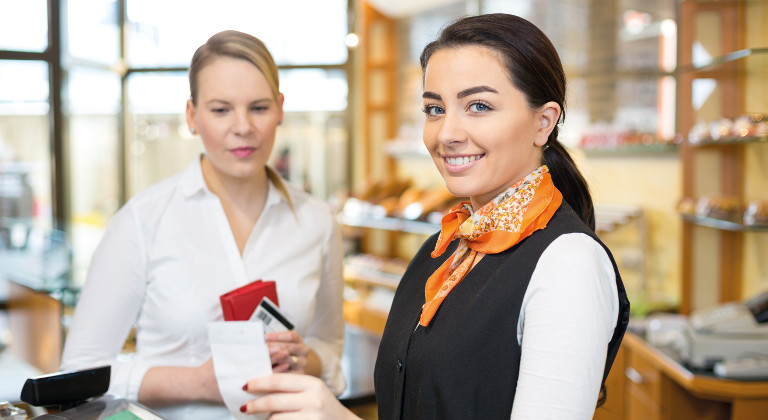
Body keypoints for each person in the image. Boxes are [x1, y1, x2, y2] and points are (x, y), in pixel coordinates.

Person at [240, 13, 629, 419]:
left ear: (543, 122)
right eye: (434, 108)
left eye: (478, 106)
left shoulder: (569, 263)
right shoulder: (442, 249)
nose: (446, 134)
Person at [59, 30, 346, 420]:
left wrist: (302, 360)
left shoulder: (316, 222)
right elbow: (79, 370)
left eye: (259, 108)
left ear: (280, 109)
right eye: (221, 109)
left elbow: (328, 347)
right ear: (192, 116)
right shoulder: (142, 221)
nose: (243, 126)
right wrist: (198, 382)